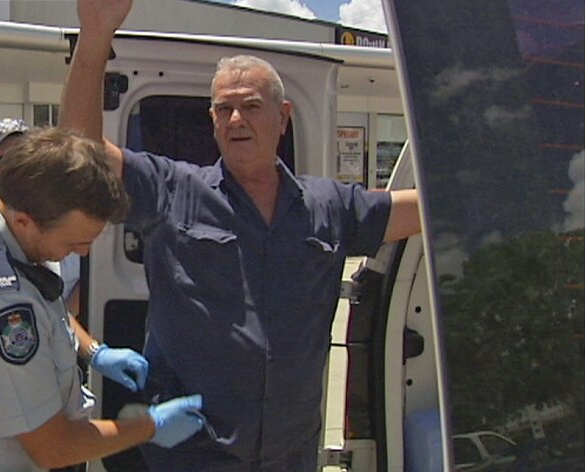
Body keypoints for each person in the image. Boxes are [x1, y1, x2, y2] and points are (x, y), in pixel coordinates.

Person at [59, 1, 422, 471]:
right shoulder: (173, 191)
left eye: (251, 106)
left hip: (289, 456)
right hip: (192, 454)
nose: (236, 120)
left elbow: (421, 210)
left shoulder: (330, 207)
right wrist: (95, 36)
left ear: (283, 116)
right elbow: (80, 155)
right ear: (212, 121)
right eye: (224, 109)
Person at [0, 126, 205, 471]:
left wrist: (93, 351)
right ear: (25, 221)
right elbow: (53, 447)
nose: (83, 253)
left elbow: (44, 301)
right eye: (73, 244)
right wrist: (148, 426)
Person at [0, 118, 83, 313]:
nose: (17, 164)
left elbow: (89, 271)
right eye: (5, 159)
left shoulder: (68, 207)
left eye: (22, 154)